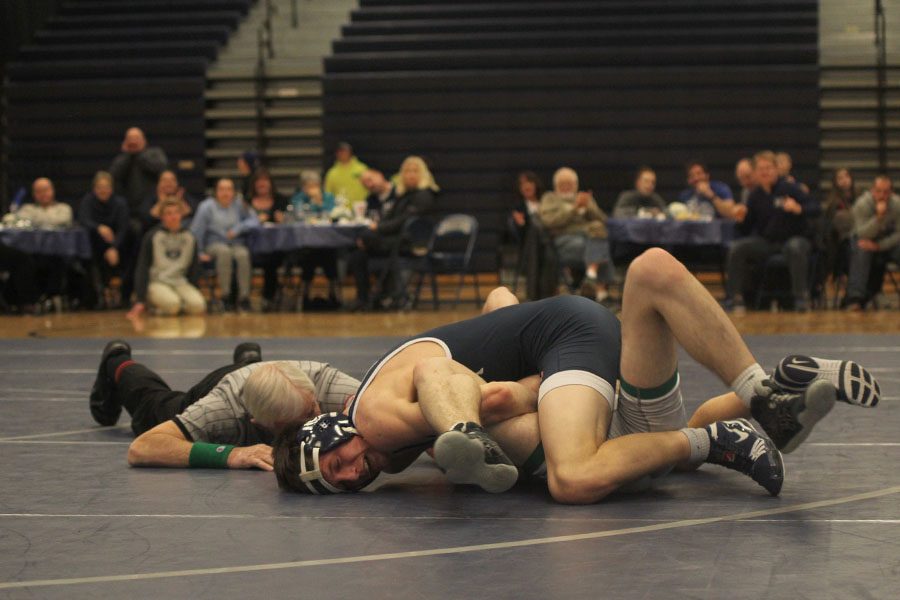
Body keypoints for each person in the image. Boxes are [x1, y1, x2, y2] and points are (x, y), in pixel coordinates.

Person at [274, 251, 880, 500]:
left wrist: (503, 401)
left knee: (572, 477)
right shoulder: (391, 435)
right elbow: (498, 301)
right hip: (579, 365)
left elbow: (479, 387)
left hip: (567, 351)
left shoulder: (375, 419)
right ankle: (766, 390)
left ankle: (714, 440)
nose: (356, 474)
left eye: (339, 464)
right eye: (344, 483)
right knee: (650, 271)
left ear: (327, 431)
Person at [88, 340, 360, 471]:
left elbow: (390, 402)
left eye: (314, 409)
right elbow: (141, 448)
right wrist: (231, 455)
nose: (316, 419)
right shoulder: (222, 409)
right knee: (154, 408)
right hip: (223, 385)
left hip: (272, 378)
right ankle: (117, 361)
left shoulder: (328, 385)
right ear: (258, 422)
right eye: (303, 421)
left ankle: (248, 361)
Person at [725, 150, 820, 312]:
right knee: (737, 248)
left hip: (794, 238)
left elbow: (816, 208)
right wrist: (740, 219)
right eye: (761, 169)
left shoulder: (790, 188)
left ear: (776, 170)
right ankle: (735, 297)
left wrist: (799, 208)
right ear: (755, 172)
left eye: (768, 168)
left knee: (795, 247)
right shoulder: (755, 196)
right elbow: (746, 228)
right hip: (768, 242)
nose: (765, 172)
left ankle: (801, 298)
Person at [346, 156, 438, 311]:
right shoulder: (403, 195)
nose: (410, 175)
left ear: (423, 174)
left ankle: (385, 294)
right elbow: (389, 218)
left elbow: (403, 221)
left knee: (367, 237)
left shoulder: (424, 196)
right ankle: (365, 298)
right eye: (407, 171)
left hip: (411, 243)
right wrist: (375, 228)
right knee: (357, 255)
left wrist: (377, 229)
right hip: (395, 240)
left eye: (415, 171)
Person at [109, 127, 169, 303]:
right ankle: (128, 290)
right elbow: (113, 177)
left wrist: (139, 154)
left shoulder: (154, 154)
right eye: (130, 139)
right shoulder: (122, 159)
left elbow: (161, 168)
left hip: (153, 213)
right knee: (133, 246)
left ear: (144, 140)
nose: (133, 142)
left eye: (137, 139)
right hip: (131, 216)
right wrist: (128, 155)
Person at [538, 167, 612, 302]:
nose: (566, 187)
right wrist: (574, 209)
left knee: (598, 233)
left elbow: (603, 220)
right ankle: (600, 290)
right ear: (556, 186)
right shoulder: (550, 198)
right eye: (562, 184)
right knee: (601, 248)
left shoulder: (583, 197)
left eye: (570, 184)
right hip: (564, 240)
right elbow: (549, 222)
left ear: (576, 185)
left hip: (589, 237)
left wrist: (589, 207)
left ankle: (591, 276)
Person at [128, 198, 206, 318]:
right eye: (168, 213)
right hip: (158, 282)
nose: (173, 216)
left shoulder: (190, 237)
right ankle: (154, 306)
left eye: (176, 212)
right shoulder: (152, 236)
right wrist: (140, 298)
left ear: (181, 215)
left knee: (198, 306)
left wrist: (194, 288)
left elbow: (194, 267)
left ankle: (178, 305)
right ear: (162, 217)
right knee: (172, 305)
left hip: (180, 282)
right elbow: (142, 267)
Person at [190, 178, 258, 312]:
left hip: (236, 243)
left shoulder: (239, 204)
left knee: (243, 254)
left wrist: (238, 228)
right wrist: (199, 252)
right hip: (214, 244)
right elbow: (196, 231)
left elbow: (254, 220)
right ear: (216, 192)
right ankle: (225, 296)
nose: (225, 193)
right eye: (222, 189)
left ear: (233, 192)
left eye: (229, 189)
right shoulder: (206, 207)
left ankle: (244, 297)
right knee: (224, 252)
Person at [841, 175, 900, 310]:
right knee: (861, 248)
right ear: (872, 190)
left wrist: (879, 246)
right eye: (879, 191)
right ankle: (855, 298)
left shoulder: (897, 205)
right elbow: (862, 233)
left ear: (891, 192)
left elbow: (899, 234)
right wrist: (878, 219)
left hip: (886, 244)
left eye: (886, 192)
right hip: (863, 242)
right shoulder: (862, 204)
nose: (882, 195)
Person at [14, 177, 73, 304]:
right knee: (23, 263)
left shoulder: (64, 208)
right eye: (39, 191)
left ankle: (53, 296)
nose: (43, 194)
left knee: (58, 261)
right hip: (32, 254)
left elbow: (63, 220)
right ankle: (30, 301)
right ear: (34, 194)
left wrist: (38, 220)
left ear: (53, 190)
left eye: (46, 190)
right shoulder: (27, 209)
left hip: (59, 253)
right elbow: (21, 221)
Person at [77, 171, 130, 309]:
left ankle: (121, 293)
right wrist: (99, 227)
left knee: (133, 236)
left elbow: (123, 228)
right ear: (94, 189)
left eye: (106, 187)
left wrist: (114, 247)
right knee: (88, 245)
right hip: (94, 246)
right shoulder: (88, 201)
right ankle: (98, 294)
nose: (103, 190)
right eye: (99, 187)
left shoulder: (120, 204)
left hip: (118, 246)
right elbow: (83, 219)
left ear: (111, 188)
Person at [288, 170, 340, 310]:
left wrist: (318, 202)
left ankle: (334, 295)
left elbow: (332, 214)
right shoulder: (298, 198)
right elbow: (299, 216)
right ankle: (304, 295)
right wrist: (314, 205)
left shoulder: (328, 197)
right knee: (309, 255)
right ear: (303, 186)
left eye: (315, 185)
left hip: (327, 242)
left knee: (329, 254)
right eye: (309, 186)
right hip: (305, 243)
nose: (312, 188)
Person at [247, 168, 289, 310]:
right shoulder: (246, 202)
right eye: (259, 182)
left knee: (272, 259)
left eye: (265, 181)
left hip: (275, 245)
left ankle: (269, 297)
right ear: (254, 184)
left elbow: (291, 222)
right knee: (242, 256)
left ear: (270, 183)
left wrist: (283, 221)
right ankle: (240, 297)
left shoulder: (281, 201)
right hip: (252, 244)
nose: (262, 184)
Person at [820, 168, 858, 289]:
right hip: (840, 245)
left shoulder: (860, 197)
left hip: (860, 237)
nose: (844, 180)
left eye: (846, 177)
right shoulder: (833, 202)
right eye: (840, 178)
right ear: (835, 182)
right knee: (852, 250)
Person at [323, 141, 369, 211]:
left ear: (350, 152)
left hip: (361, 209)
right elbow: (328, 193)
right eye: (340, 151)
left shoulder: (362, 169)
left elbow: (370, 187)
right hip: (340, 211)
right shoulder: (332, 173)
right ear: (336, 154)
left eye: (345, 151)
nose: (342, 154)